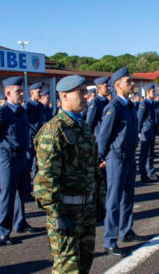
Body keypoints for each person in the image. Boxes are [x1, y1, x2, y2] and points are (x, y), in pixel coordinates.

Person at [34, 75, 106, 274]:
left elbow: (94, 169)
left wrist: (99, 201)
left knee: (84, 264)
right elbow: (46, 180)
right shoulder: (53, 131)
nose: (86, 96)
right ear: (64, 96)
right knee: (67, 268)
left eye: (86, 91)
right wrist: (57, 215)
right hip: (67, 211)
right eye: (81, 92)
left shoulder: (83, 128)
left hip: (87, 209)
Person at [0, 76, 39, 245]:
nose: (22, 94)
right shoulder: (1, 113)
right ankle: (2, 230)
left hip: (21, 156)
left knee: (21, 192)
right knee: (7, 194)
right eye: (18, 91)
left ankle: (20, 222)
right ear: (7, 93)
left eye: (22, 90)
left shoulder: (21, 111)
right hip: (7, 157)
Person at [98, 67, 146, 257]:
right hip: (116, 159)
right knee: (114, 201)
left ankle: (126, 231)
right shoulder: (114, 107)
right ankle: (110, 240)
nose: (132, 84)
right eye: (129, 81)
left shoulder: (129, 105)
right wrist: (101, 158)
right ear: (118, 85)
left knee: (128, 198)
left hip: (129, 157)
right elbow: (103, 137)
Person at [24, 82, 45, 197]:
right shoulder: (27, 106)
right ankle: (27, 189)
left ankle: (37, 188)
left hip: (39, 139)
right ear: (32, 93)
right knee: (27, 165)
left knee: (38, 164)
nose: (40, 94)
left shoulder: (40, 106)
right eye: (38, 92)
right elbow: (27, 123)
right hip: (30, 138)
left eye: (41, 91)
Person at [137, 82, 159, 183]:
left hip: (152, 131)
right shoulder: (144, 103)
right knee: (144, 154)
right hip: (145, 131)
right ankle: (143, 175)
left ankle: (151, 172)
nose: (155, 93)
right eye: (153, 91)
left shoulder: (152, 103)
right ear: (147, 92)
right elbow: (139, 119)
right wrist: (138, 132)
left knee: (150, 153)